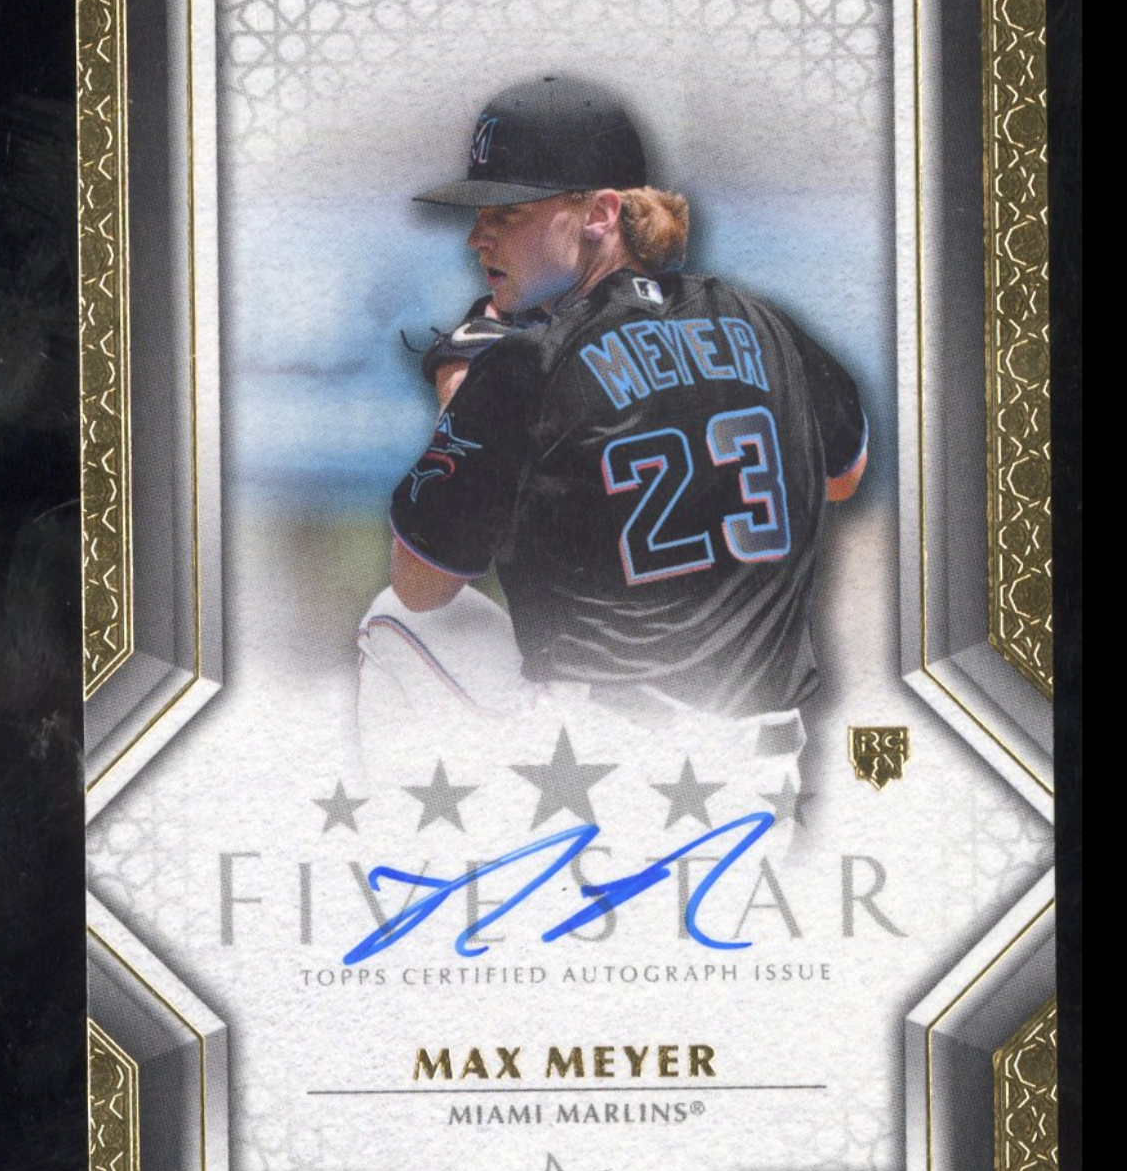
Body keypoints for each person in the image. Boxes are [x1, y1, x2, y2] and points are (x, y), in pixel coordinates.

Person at [356, 75, 867, 801]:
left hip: (603, 773)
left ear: (599, 213)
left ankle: (432, 857)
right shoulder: (766, 322)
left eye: (508, 212)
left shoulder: (527, 361)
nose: (477, 236)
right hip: (763, 778)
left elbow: (421, 583)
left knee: (390, 620)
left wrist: (461, 400)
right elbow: (844, 476)